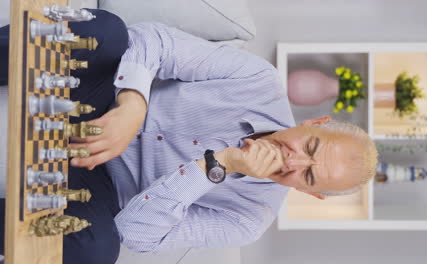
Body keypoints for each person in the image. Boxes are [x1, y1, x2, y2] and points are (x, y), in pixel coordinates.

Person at [0, 9, 378, 264]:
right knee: (107, 30)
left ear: (308, 193)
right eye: (309, 147)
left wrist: (216, 166)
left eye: (308, 174)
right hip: (102, 97)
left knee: (98, 250)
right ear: (315, 123)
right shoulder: (259, 81)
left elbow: (136, 234)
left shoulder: (249, 220)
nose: (292, 160)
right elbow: (155, 41)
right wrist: (133, 108)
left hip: (95, 184)